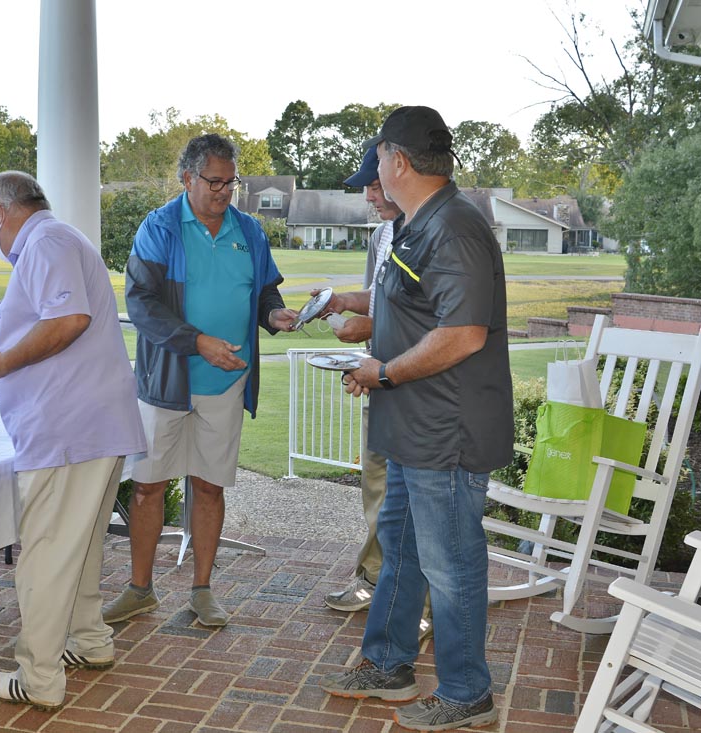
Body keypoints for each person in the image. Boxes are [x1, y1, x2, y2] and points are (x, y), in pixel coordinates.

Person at [0, 171, 146, 710]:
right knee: (80, 543)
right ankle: (89, 640)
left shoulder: (46, 242)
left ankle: (39, 676)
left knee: (44, 551)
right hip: (93, 424)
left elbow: (68, 320)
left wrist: (1, 365)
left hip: (67, 426)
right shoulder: (48, 246)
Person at [320, 107, 513, 732]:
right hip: (411, 427)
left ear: (397, 161)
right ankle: (388, 666)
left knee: (451, 565)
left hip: (444, 431)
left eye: (378, 158)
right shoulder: (418, 223)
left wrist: (384, 373)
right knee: (400, 549)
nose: (375, 171)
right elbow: (411, 308)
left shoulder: (453, 228)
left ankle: (466, 692)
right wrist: (366, 336)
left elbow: (462, 334)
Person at [104, 133, 297, 628]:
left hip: (225, 384)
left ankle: (202, 590)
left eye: (231, 182)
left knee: (209, 488)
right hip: (165, 384)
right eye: (214, 181)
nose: (225, 191)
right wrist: (198, 342)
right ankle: (140, 589)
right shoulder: (159, 227)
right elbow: (141, 303)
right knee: (147, 488)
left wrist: (274, 315)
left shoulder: (249, 231)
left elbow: (265, 293)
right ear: (187, 178)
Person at [322, 146, 432, 642]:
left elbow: (436, 321)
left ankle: (421, 605)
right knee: (377, 489)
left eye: (374, 184)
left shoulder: (429, 232)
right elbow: (381, 299)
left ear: (398, 173)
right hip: (381, 379)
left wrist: (367, 328)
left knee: (415, 501)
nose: (369, 195)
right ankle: (372, 580)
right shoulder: (383, 235)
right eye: (366, 187)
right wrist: (344, 303)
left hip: (420, 387)